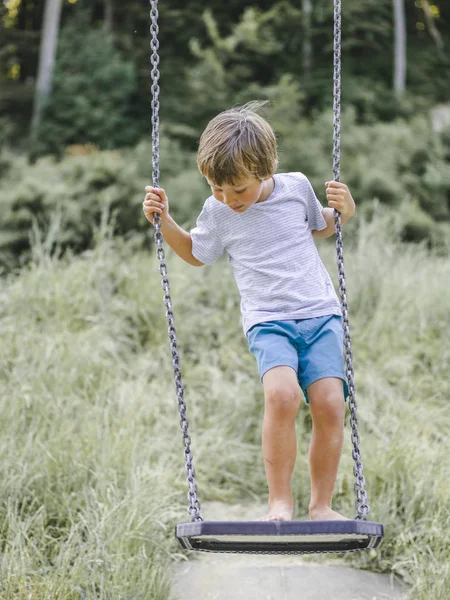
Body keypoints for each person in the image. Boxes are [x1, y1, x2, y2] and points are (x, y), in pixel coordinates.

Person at [143, 101, 356, 522]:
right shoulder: (218, 211)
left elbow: (322, 224)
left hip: (320, 313)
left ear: (266, 169)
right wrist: (164, 220)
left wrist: (345, 211)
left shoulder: (295, 187)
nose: (227, 198)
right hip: (268, 321)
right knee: (282, 396)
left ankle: (321, 506)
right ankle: (279, 502)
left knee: (331, 404)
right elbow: (196, 253)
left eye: (237, 188)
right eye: (216, 188)